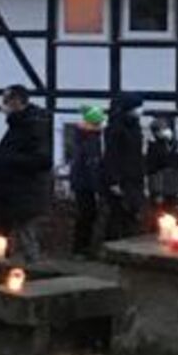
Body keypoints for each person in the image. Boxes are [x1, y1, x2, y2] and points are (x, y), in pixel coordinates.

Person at [0, 84, 50, 263]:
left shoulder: (33, 125)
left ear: (16, 102)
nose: (3, 106)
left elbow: (41, 160)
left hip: (25, 194)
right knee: (2, 237)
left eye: (6, 101)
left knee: (27, 236)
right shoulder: (18, 125)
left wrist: (4, 156)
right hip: (9, 193)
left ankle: (35, 276)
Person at [100, 94, 147, 241]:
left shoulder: (135, 127)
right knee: (117, 214)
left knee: (132, 213)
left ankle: (129, 243)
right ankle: (112, 245)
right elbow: (111, 156)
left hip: (134, 176)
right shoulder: (116, 129)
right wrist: (113, 181)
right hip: (121, 178)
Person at [67, 105, 106, 257]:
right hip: (86, 184)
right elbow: (92, 165)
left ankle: (82, 248)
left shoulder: (82, 137)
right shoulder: (90, 139)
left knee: (86, 216)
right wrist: (97, 187)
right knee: (87, 216)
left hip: (82, 183)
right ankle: (82, 248)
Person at [144, 115, 178, 211]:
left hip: (174, 185)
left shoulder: (173, 146)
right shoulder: (153, 148)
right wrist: (156, 192)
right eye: (161, 129)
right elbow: (152, 170)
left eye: (166, 128)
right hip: (162, 185)